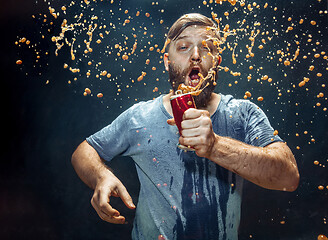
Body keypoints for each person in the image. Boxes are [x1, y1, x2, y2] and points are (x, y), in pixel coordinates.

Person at [71, 13, 299, 240]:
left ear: (217, 61)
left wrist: (215, 146)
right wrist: (101, 177)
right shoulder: (139, 117)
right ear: (166, 60)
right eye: (183, 47)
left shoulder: (242, 113)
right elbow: (84, 151)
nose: (196, 56)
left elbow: (289, 177)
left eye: (207, 47)